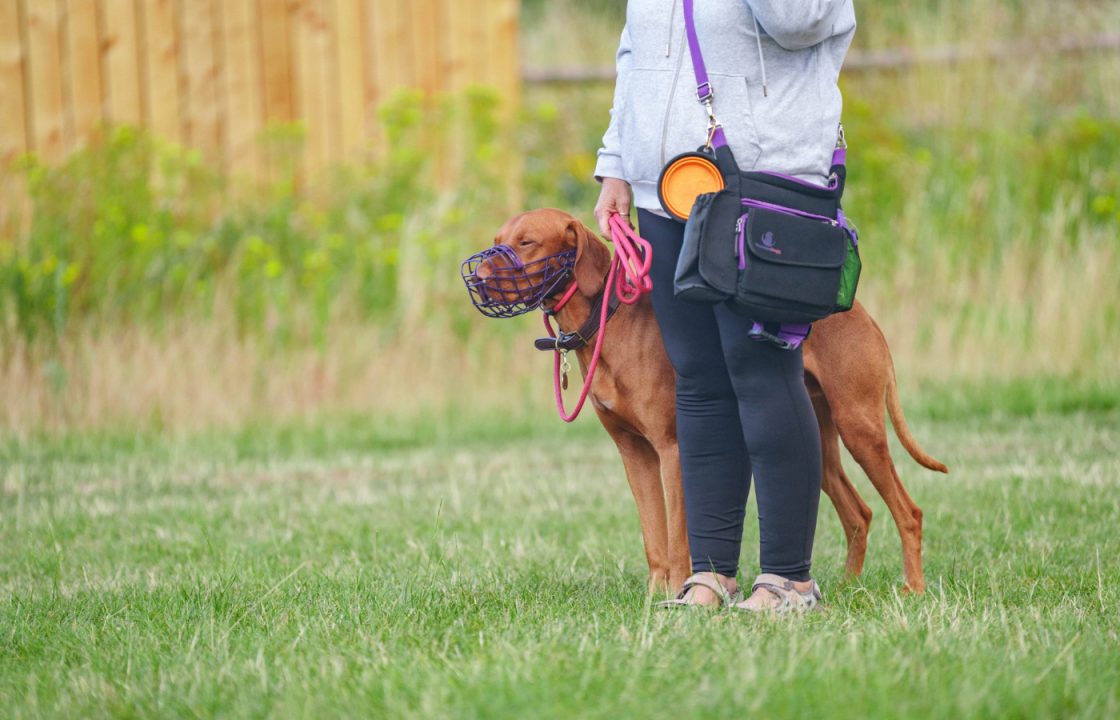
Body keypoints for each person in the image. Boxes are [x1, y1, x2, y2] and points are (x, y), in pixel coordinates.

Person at [593, 0, 856, 612]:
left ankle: (789, 580)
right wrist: (616, 168)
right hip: (668, 187)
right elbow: (637, 53)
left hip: (763, 180)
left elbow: (803, 19)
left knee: (760, 368)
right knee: (699, 376)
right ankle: (712, 574)